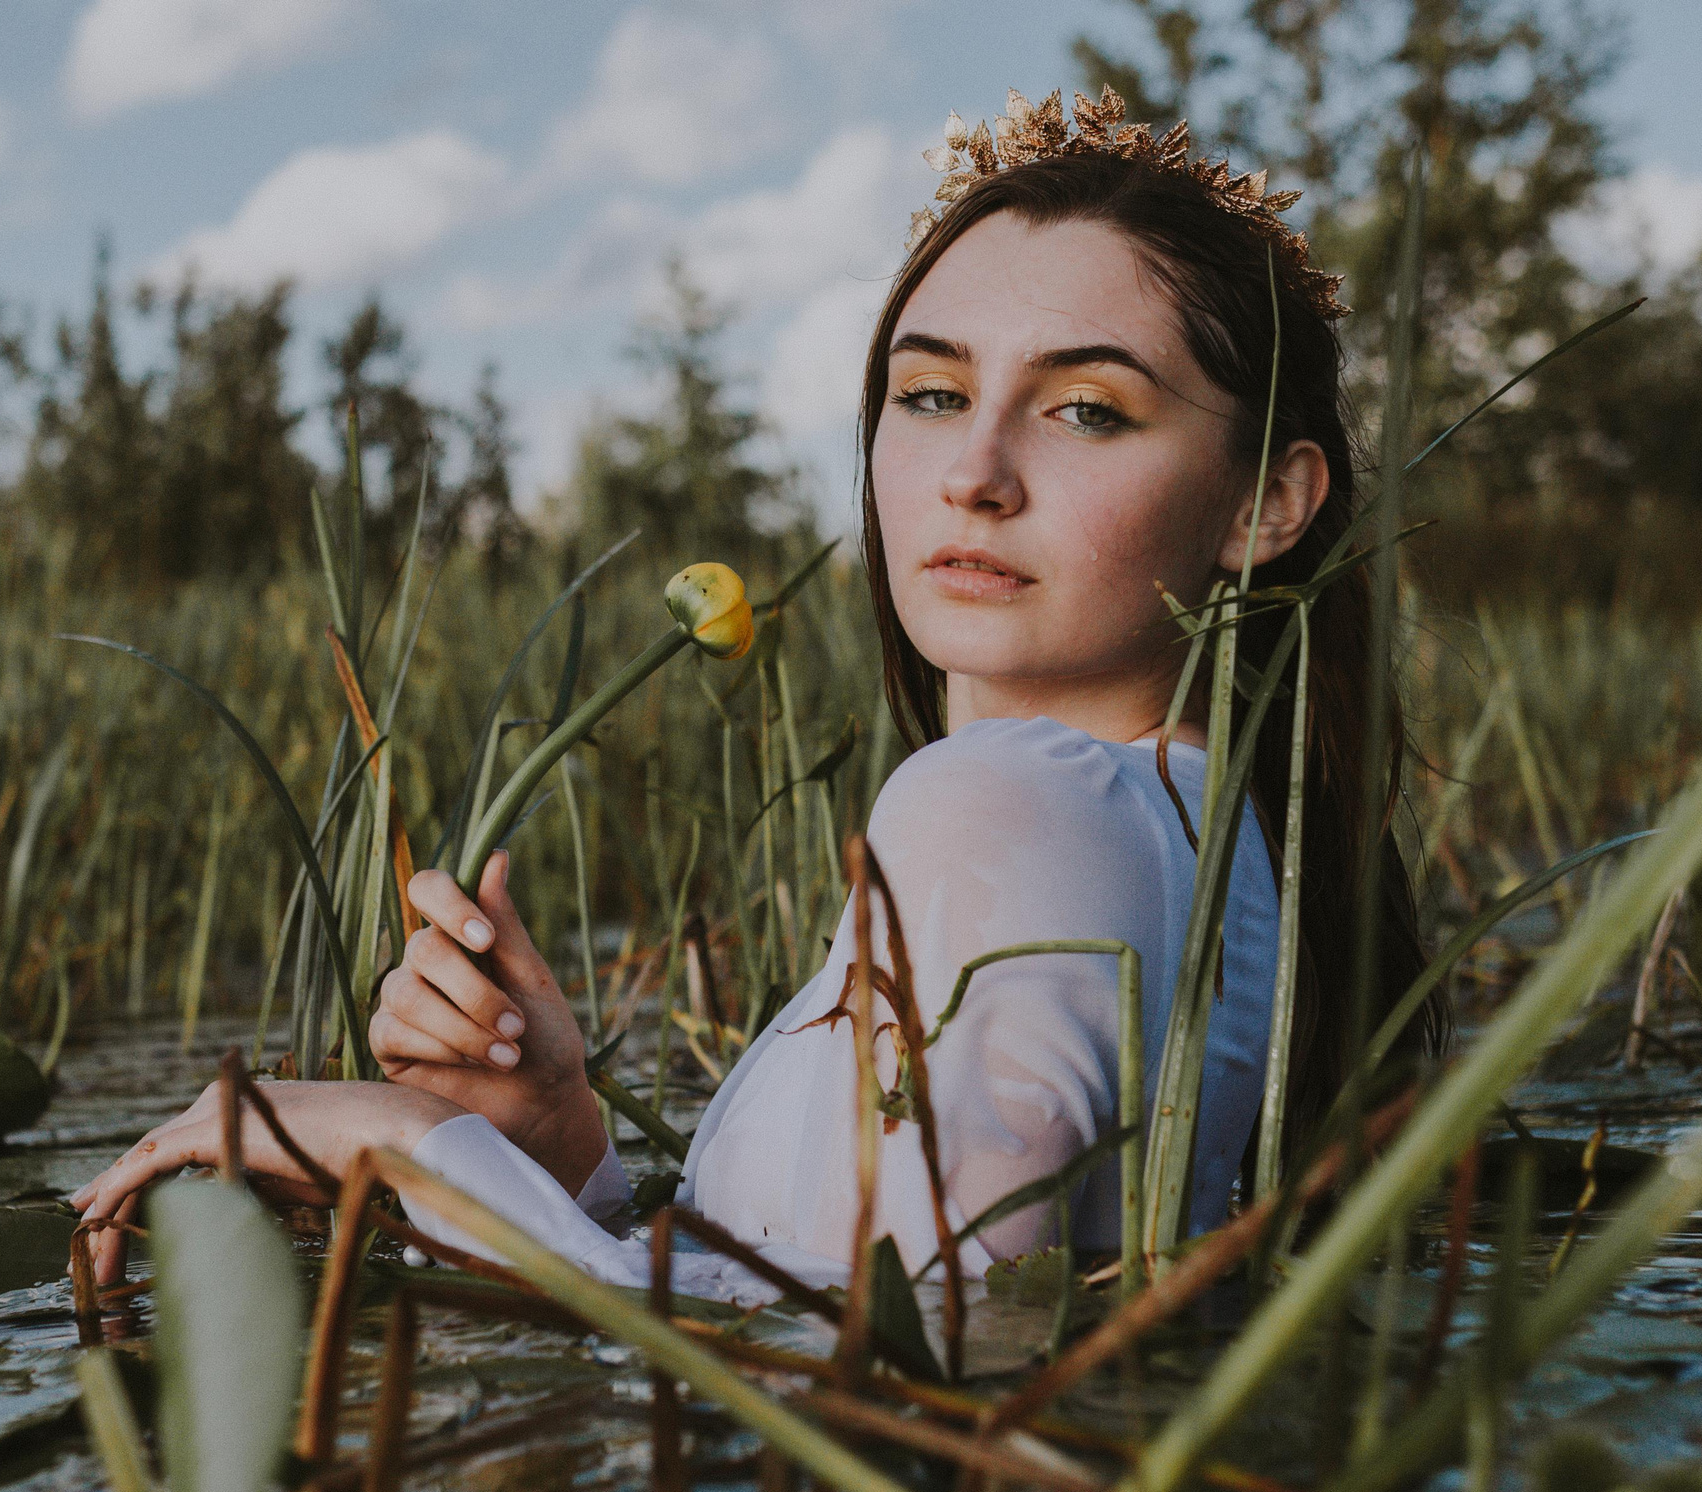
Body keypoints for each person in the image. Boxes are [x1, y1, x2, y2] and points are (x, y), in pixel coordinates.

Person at [72, 89, 1439, 1301]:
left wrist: (418, 1154)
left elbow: (874, 1372)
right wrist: (563, 1155)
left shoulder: (1011, 805)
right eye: (929, 393)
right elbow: (872, 1303)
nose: (975, 470)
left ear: (1266, 503)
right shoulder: (1209, 831)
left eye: (1087, 409)